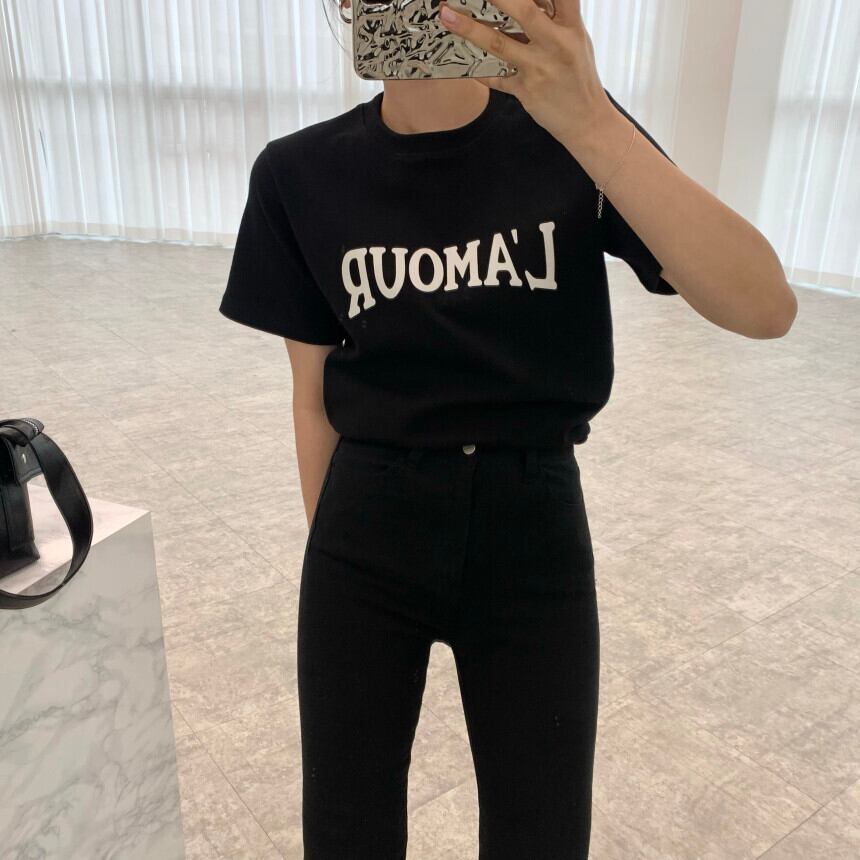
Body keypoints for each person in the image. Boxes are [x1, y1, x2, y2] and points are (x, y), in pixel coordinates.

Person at [218, 2, 797, 857]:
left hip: (533, 522)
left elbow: (764, 306)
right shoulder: (296, 174)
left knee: (542, 830)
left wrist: (590, 119)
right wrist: (338, 553)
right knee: (345, 829)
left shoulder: (569, 133)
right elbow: (312, 395)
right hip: (366, 524)